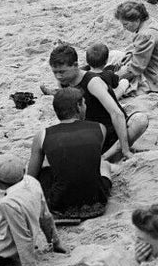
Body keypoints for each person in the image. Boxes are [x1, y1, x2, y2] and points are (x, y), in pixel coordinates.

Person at [46, 44, 147, 160]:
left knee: (140, 120)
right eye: (55, 72)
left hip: (112, 132)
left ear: (75, 65)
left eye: (62, 72)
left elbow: (116, 113)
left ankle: (108, 156)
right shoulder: (64, 82)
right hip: (91, 135)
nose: (58, 76)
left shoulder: (92, 82)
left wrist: (126, 150)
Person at [27, 88, 112, 220]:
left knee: (45, 163)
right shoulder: (100, 128)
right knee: (104, 165)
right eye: (84, 103)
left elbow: (31, 177)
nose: (85, 106)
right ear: (78, 106)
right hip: (96, 203)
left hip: (58, 206)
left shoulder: (42, 135)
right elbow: (88, 158)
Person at [113, 0, 158, 96]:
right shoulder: (150, 21)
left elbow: (136, 68)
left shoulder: (145, 34)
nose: (124, 28)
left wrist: (115, 77)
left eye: (125, 24)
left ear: (137, 20)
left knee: (123, 88)